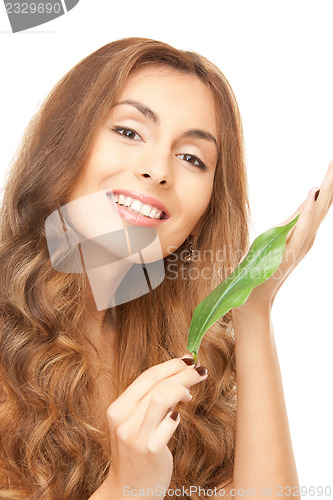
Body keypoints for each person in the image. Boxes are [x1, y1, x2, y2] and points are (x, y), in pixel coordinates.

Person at [0, 37, 332, 500]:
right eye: (129, 132)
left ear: (200, 221)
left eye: (192, 158)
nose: (158, 170)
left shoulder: (180, 356)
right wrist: (127, 486)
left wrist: (252, 305)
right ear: (62, 147)